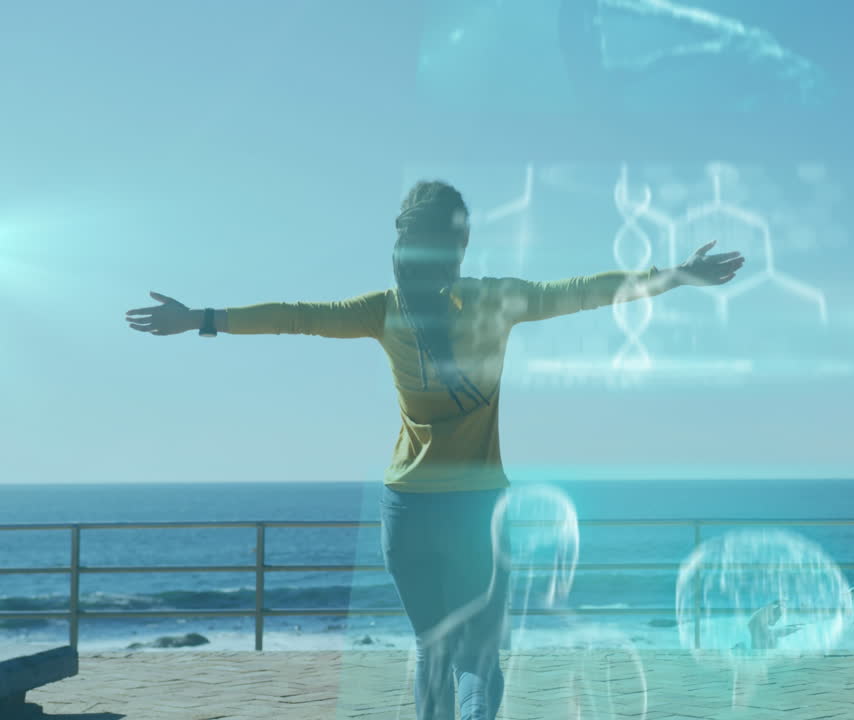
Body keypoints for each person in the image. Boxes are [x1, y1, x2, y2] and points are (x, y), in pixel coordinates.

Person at [123, 179, 745, 720]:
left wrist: (199, 318)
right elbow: (585, 289)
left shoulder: (382, 310)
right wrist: (678, 276)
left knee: (433, 651)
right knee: (476, 657)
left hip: (406, 511)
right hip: (477, 511)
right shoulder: (496, 301)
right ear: (460, 247)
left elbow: (294, 315)